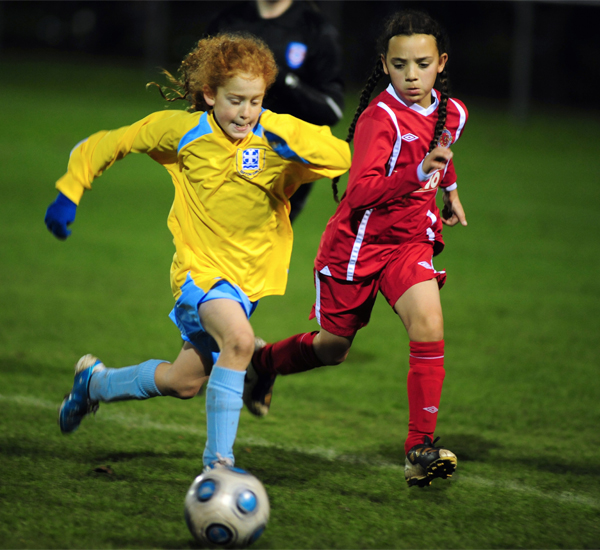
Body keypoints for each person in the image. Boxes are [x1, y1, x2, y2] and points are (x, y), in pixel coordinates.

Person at [44, 33, 351, 470]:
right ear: (209, 94)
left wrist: (297, 148)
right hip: (199, 273)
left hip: (247, 283)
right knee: (241, 342)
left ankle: (93, 384)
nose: (246, 113)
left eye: (256, 100)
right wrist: (69, 191)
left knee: (183, 381)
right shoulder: (184, 131)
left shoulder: (275, 130)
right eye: (236, 100)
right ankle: (218, 465)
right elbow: (110, 143)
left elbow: (342, 155)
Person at [243, 10, 469, 488]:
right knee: (332, 349)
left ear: (441, 64)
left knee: (429, 324)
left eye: (422, 64)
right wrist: (417, 173)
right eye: (401, 65)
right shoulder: (378, 118)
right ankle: (261, 364)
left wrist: (449, 191)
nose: (412, 76)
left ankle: (417, 449)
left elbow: (442, 151)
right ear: (385, 66)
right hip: (357, 248)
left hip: (409, 242)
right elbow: (360, 192)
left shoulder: (455, 112)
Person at [207, 0, 345, 223]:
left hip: (282, 165)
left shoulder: (315, 28)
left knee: (259, 247)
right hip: (225, 158)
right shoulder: (229, 21)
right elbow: (203, 90)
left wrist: (284, 80)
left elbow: (332, 109)